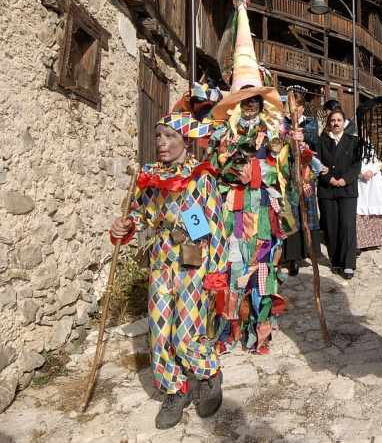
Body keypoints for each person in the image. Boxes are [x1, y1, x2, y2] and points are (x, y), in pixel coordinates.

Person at [109, 112, 227, 430]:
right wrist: (126, 224)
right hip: (162, 263)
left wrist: (215, 274)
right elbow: (141, 215)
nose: (161, 142)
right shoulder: (150, 177)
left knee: (186, 335)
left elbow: (215, 229)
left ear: (184, 140)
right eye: (158, 136)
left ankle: (209, 373)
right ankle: (175, 390)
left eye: (169, 136)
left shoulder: (201, 177)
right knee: (160, 332)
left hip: (193, 264)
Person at [206, 85, 293, 355]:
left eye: (255, 99)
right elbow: (214, 164)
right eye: (245, 100)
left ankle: (260, 331)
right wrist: (233, 170)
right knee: (232, 266)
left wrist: (263, 167)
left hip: (263, 207)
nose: (251, 105)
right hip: (233, 208)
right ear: (237, 103)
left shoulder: (274, 131)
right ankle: (227, 330)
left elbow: (282, 170)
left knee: (262, 269)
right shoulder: (224, 132)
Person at [316, 100, 362, 279]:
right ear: (329, 123)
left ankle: (349, 263)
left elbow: (357, 164)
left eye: (338, 120)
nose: (335, 123)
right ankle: (336, 261)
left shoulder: (354, 141)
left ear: (344, 123)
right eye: (332, 120)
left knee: (348, 225)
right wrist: (329, 178)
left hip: (347, 189)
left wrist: (344, 180)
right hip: (327, 190)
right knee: (331, 226)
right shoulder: (321, 142)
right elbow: (316, 163)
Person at [281, 86, 323, 276]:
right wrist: (287, 138)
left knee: (308, 210)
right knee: (291, 212)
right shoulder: (282, 124)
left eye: (297, 109)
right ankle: (292, 258)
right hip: (288, 175)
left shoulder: (311, 123)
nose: (294, 113)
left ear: (302, 109)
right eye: (291, 109)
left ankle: (311, 251)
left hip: (306, 175)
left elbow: (315, 139)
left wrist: (303, 136)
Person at [355, 150, 382, 250]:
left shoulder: (374, 141)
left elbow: (381, 160)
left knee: (375, 205)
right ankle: (362, 241)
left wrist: (372, 171)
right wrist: (359, 173)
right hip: (359, 178)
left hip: (374, 178)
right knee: (360, 207)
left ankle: (375, 240)